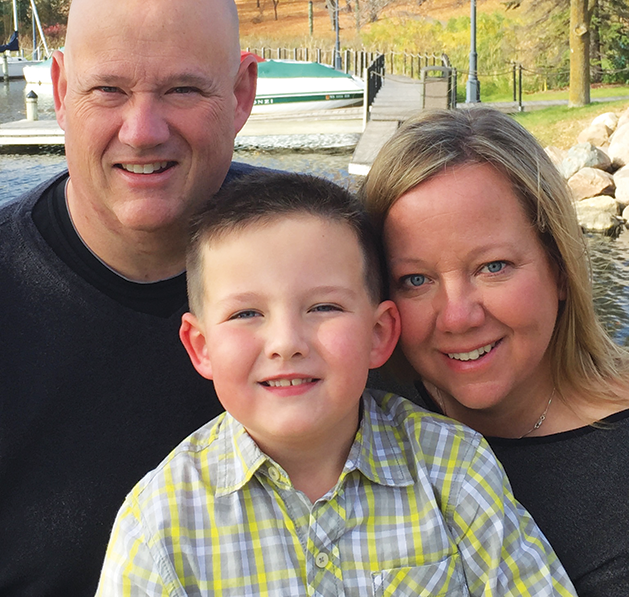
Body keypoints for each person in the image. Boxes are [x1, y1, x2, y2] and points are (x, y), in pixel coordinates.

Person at [95, 170, 576, 596]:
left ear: (378, 333)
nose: (286, 342)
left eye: (323, 307)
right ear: (201, 346)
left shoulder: (453, 470)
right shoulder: (161, 523)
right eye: (247, 313)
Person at [0, 0, 258, 594]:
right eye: (109, 89)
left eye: (184, 90)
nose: (142, 132)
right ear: (61, 91)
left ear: (242, 93)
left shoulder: (330, 263)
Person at [361, 106, 629, 596]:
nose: (458, 316)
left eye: (493, 267)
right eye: (415, 280)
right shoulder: (352, 414)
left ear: (560, 268)